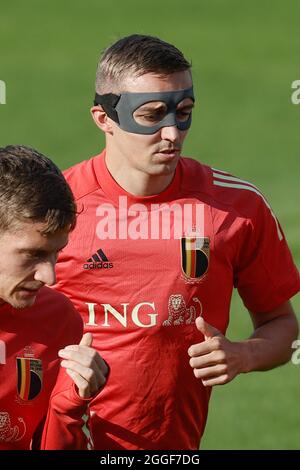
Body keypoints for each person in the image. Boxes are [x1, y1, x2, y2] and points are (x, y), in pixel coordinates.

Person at [53, 34, 300, 450]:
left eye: (183, 113)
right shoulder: (53, 208)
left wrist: (243, 355)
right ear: (103, 118)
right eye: (151, 116)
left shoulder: (236, 208)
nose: (172, 133)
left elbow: (283, 327)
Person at [0, 145, 108, 450]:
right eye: (33, 254)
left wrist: (69, 405)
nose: (50, 277)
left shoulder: (57, 320)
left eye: (55, 255)